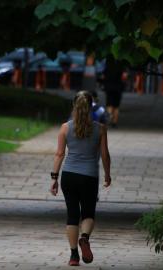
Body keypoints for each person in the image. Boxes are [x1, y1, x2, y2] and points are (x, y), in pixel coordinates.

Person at [50, 91, 111, 266]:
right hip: (89, 176)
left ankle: (74, 256)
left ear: (74, 106)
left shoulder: (65, 128)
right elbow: (105, 156)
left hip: (69, 176)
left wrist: (54, 178)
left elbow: (59, 154)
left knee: (72, 214)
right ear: (92, 106)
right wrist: (107, 175)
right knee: (88, 213)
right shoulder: (100, 129)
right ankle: (84, 238)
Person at [103, 55, 126, 128]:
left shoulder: (107, 66)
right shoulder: (121, 66)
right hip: (118, 87)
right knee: (116, 106)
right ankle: (114, 122)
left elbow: (104, 76)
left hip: (109, 87)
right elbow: (124, 76)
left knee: (109, 104)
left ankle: (109, 119)